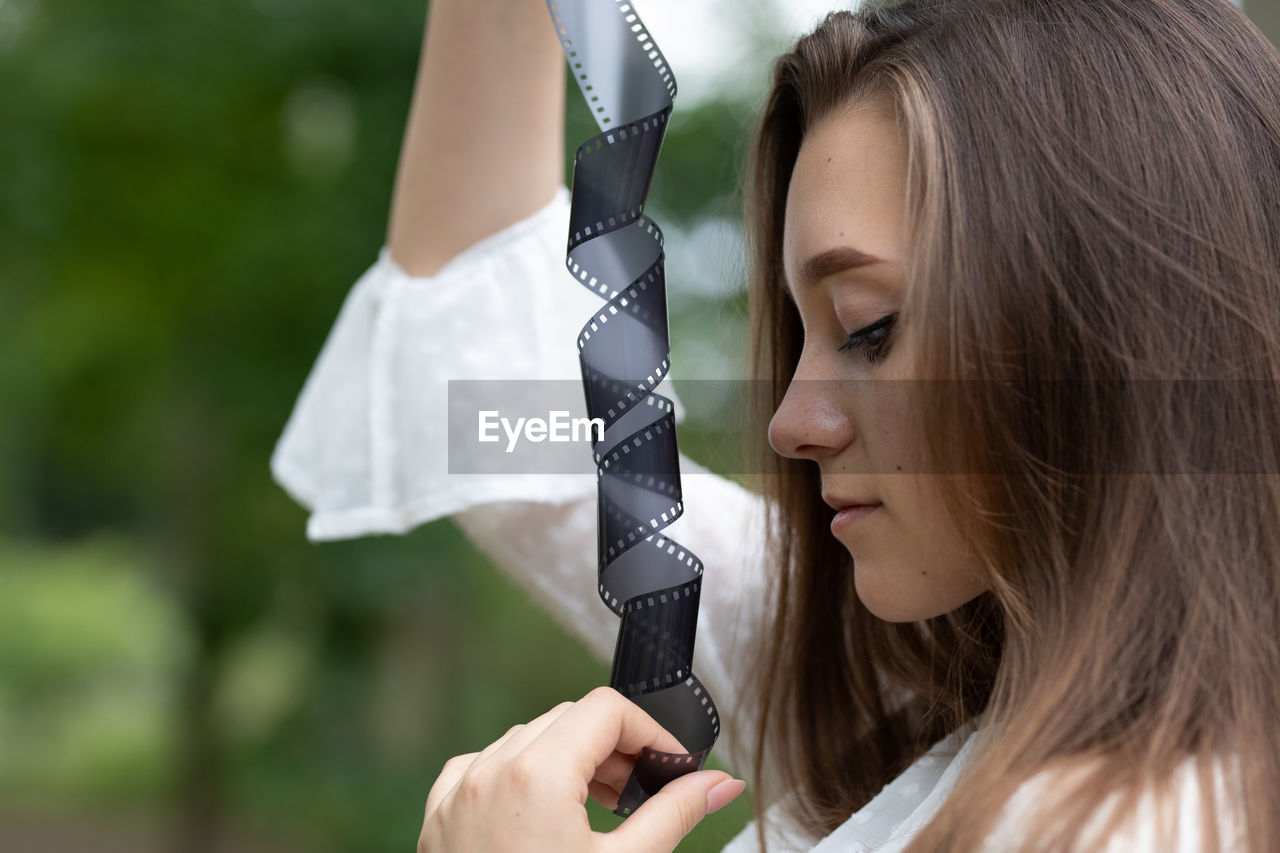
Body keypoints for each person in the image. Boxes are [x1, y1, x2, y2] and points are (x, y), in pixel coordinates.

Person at [271, 0, 1280, 850]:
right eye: (802, 333)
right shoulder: (905, 683)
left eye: (870, 329)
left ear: (1111, 331)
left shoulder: (1151, 821)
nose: (790, 423)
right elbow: (493, 415)